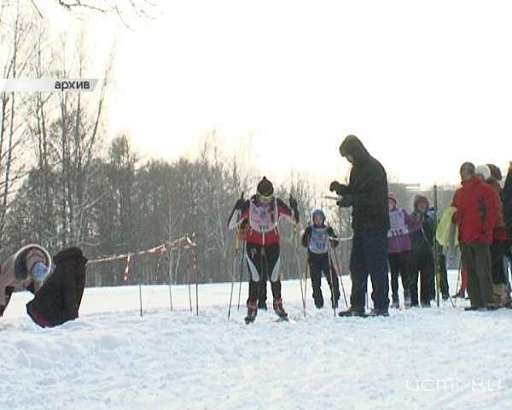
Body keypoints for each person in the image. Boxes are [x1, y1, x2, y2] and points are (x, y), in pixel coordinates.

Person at [330, 135, 390, 317]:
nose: (348, 160)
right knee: (357, 266)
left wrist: (352, 199)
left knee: (376, 266)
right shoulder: (356, 170)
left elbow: (375, 198)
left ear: (355, 151)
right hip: (361, 225)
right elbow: (357, 191)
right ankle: (357, 304)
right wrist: (342, 189)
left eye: (348, 155)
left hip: (376, 224)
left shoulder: (375, 168)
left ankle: (381, 305)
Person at [227, 177, 299, 323]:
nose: (266, 202)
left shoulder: (277, 204)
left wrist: (294, 208)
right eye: (263, 199)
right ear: (257, 195)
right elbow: (231, 225)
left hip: (272, 242)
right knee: (256, 276)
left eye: (269, 199)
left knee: (273, 275)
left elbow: (294, 220)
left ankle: (278, 305)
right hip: (254, 242)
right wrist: (237, 207)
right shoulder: (250, 205)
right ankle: (252, 308)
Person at [452, 162, 499, 311]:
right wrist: (455, 218)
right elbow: (455, 211)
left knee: (483, 269)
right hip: (466, 236)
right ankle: (476, 301)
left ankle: (488, 300)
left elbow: (493, 211)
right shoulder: (459, 193)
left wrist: (486, 229)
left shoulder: (485, 190)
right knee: (470, 270)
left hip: (479, 236)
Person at [26, 247, 87, 328]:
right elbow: (70, 291)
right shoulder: (71, 266)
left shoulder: (64, 265)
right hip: (49, 315)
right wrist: (73, 319)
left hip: (41, 310)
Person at [478, 164, 510, 306]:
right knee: (495, 264)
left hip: (497, 232)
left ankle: (500, 294)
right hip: (495, 232)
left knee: (497, 265)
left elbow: (496, 212)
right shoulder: (493, 189)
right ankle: (500, 294)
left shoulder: (491, 189)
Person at [301, 209, 341, 309]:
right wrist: (306, 235)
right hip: (313, 257)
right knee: (316, 281)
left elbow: (335, 243)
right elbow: (304, 244)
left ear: (323, 219)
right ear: (313, 220)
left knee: (333, 278)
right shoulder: (310, 229)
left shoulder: (327, 229)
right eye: (316, 218)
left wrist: (333, 237)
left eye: (320, 218)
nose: (318, 220)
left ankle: (335, 299)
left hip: (325, 256)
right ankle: (318, 302)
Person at [0, 244, 51, 318]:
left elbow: (38, 289)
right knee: (1, 305)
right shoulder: (14, 270)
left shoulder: (41, 265)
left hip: (23, 278)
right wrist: (1, 305)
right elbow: (1, 284)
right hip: (6, 282)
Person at [387, 194, 416, 308]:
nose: (389, 205)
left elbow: (412, 223)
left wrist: (411, 227)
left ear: (395, 203)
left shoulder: (401, 212)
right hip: (391, 250)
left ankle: (407, 295)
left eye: (391, 202)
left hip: (404, 248)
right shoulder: (384, 216)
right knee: (393, 275)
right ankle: (395, 298)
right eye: (387, 203)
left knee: (405, 273)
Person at [408, 195, 436, 307]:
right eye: (420, 203)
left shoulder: (430, 219)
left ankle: (425, 300)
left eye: (424, 204)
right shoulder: (411, 218)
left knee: (426, 277)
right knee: (412, 278)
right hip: (413, 252)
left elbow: (433, 234)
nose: (422, 206)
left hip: (426, 252)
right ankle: (414, 301)